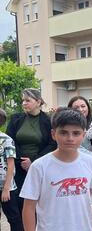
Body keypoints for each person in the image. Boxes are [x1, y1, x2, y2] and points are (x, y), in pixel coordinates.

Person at [6, 88, 56, 217]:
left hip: (41, 167)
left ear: (38, 102)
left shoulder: (48, 121)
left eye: (28, 100)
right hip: (18, 168)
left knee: (41, 204)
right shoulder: (16, 119)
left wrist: (33, 162)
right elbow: (9, 141)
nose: (24, 103)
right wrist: (23, 160)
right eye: (23, 100)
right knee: (21, 205)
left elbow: (52, 144)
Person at [0, 108, 27, 231]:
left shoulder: (6, 140)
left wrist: (6, 188)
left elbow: (11, 165)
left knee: (13, 218)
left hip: (7, 187)